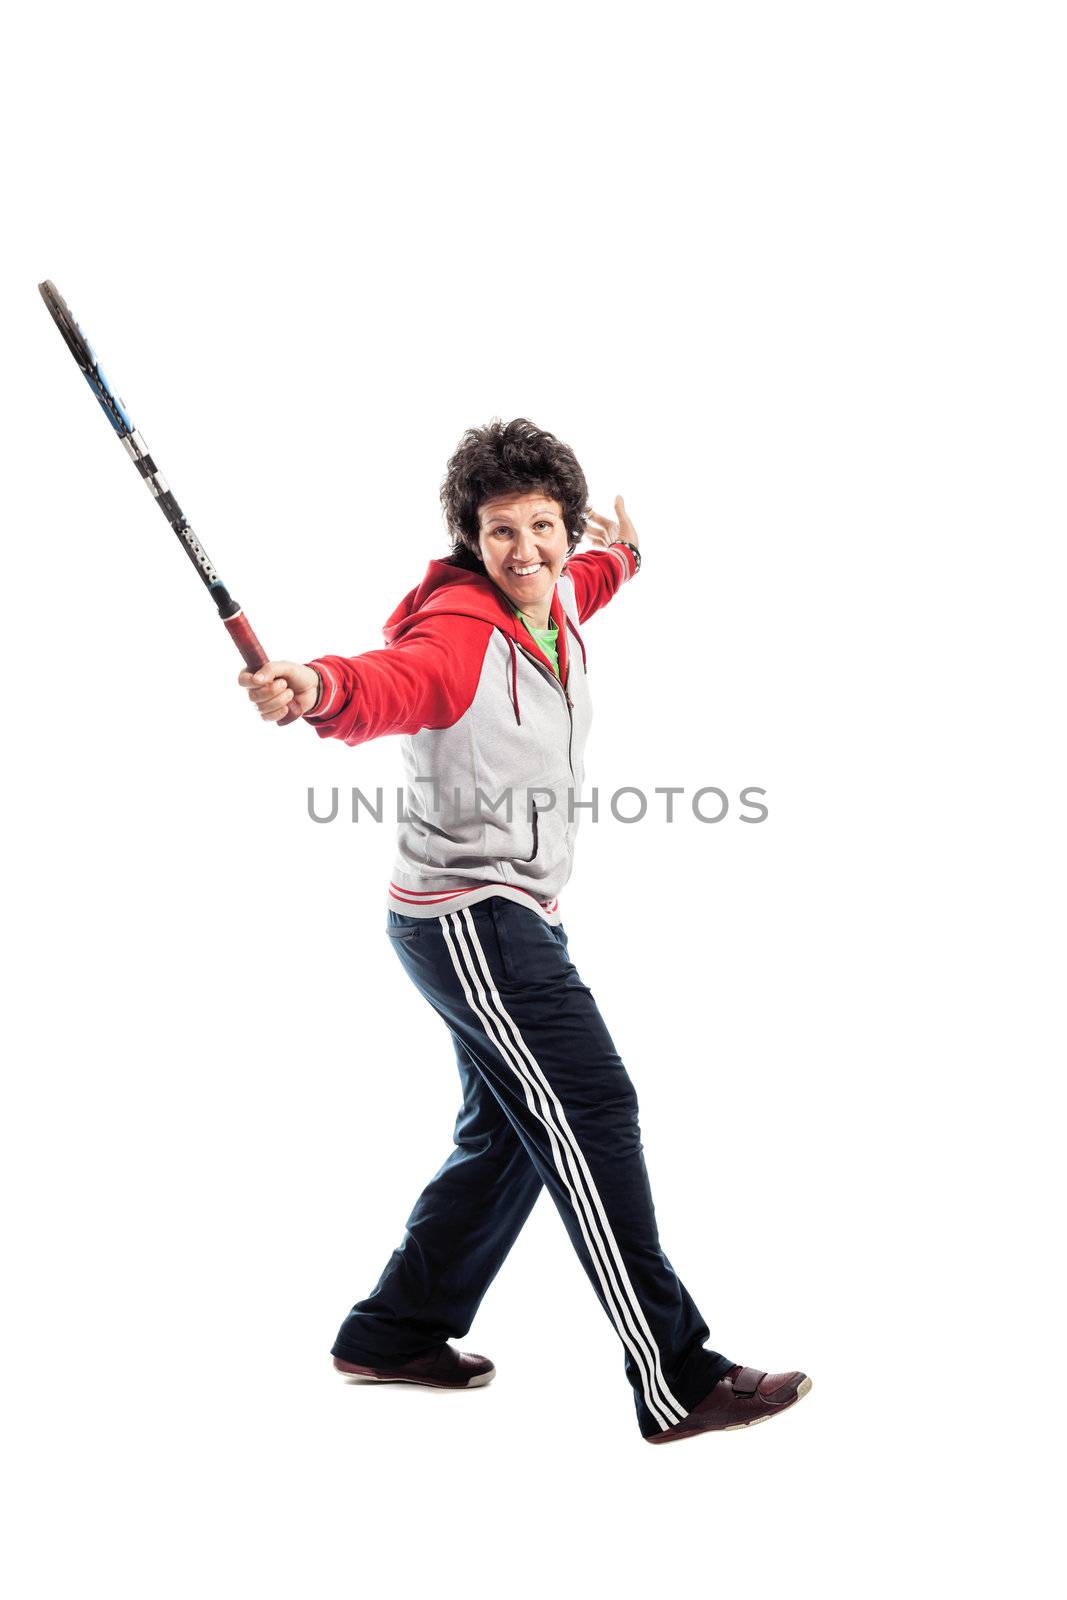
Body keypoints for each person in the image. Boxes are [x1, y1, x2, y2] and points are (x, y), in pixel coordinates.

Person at [239, 418, 811, 1443]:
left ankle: (393, 1330)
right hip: (469, 917)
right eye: (501, 531)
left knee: (507, 1126)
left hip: (514, 916)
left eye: (543, 526)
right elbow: (388, 681)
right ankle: (676, 1373)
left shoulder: (554, 603)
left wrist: (623, 553)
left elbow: (588, 580)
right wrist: (317, 687)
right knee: (590, 1105)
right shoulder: (458, 631)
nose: (528, 551)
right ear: (470, 536)